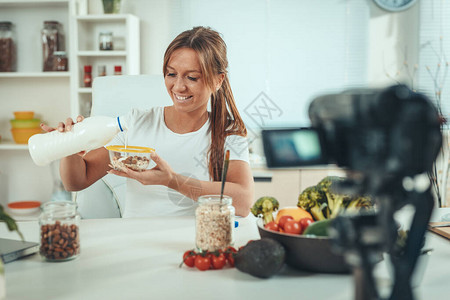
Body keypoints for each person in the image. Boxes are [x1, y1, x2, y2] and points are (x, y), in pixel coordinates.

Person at [41, 26, 254, 218]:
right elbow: (77, 181)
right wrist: (69, 145)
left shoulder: (228, 131)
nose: (178, 87)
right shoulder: (138, 122)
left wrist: (172, 180)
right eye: (171, 74)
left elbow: (243, 203)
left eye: (192, 78)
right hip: (134, 240)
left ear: (218, 80)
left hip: (193, 244)